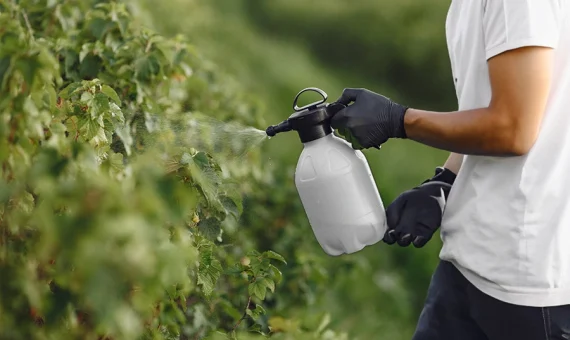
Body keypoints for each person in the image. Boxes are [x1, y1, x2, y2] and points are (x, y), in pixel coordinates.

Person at [329, 1, 570, 339]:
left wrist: (399, 120)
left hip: (529, 285)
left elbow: (513, 128)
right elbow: (485, 105)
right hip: (468, 263)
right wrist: (445, 181)